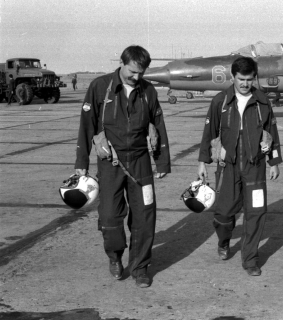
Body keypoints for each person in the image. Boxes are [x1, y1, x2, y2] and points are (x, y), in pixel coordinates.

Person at [74, 45, 171, 288]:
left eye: (141, 73)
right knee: (109, 215)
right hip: (110, 163)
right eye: (132, 72)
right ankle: (115, 255)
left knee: (144, 216)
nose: (137, 78)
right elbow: (87, 124)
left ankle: (140, 267)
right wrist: (81, 163)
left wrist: (161, 161)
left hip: (140, 163)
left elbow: (158, 124)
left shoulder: (148, 91)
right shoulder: (100, 87)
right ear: (121, 63)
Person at [197, 56, 282, 276]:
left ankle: (251, 259)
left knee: (256, 212)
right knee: (224, 214)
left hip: (255, 167)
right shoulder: (221, 101)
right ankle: (224, 241)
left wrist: (273, 161)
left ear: (255, 78)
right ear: (233, 77)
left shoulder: (262, 101)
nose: (245, 84)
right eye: (241, 79)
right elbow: (209, 132)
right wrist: (203, 162)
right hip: (228, 167)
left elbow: (272, 132)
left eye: (249, 79)